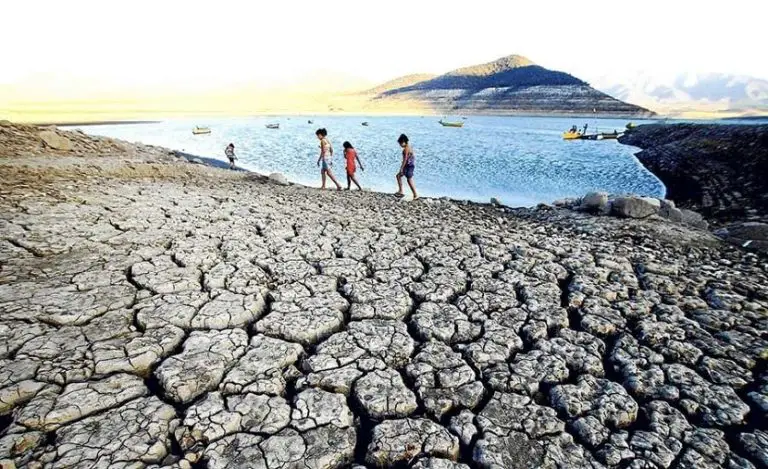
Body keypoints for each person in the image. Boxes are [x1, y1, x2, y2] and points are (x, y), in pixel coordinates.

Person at [395, 133, 418, 200]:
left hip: (408, 166)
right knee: (398, 176)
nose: (400, 145)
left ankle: (415, 194)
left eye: (400, 144)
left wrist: (401, 168)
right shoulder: (409, 147)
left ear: (404, 142)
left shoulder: (406, 149)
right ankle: (401, 191)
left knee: (409, 180)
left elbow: (405, 159)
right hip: (410, 165)